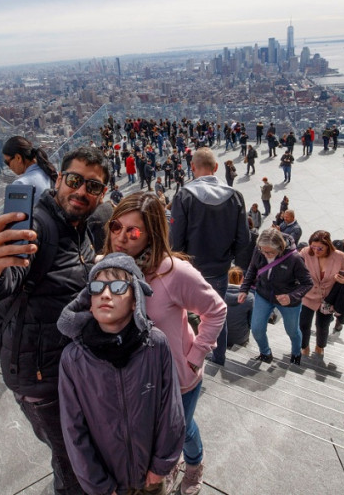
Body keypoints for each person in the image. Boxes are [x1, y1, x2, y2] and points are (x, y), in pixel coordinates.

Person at [0, 147, 109, 495]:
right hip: (42, 381)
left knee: (75, 451)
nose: (82, 191)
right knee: (72, 461)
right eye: (74, 180)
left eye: (93, 186)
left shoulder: (78, 227)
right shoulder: (38, 226)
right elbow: (3, 277)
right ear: (58, 180)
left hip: (67, 369)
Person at [103, 192, 227, 495]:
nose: (120, 237)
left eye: (132, 231)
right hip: (132, 379)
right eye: (115, 226)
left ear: (152, 234)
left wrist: (195, 356)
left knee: (180, 431)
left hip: (176, 379)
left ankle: (193, 464)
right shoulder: (108, 268)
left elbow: (216, 309)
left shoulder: (174, 272)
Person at [57, 253, 185, 495]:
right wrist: (100, 486)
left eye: (117, 287)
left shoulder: (156, 345)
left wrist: (160, 466)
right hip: (109, 485)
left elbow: (172, 411)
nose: (106, 294)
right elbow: (73, 431)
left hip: (151, 477)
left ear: (136, 300)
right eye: (97, 287)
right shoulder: (73, 359)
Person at [170, 147, 250, 366]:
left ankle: (188, 356)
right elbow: (244, 239)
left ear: (192, 167)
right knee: (216, 313)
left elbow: (175, 240)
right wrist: (227, 256)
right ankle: (219, 358)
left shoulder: (184, 195)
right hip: (219, 270)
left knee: (185, 314)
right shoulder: (235, 196)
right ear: (216, 168)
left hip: (190, 270)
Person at [238, 228, 313, 365]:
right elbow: (253, 268)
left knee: (292, 331)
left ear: (280, 247)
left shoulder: (295, 259)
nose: (266, 255)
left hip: (288, 301)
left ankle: (296, 354)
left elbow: (308, 283)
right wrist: (244, 289)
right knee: (256, 328)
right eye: (263, 251)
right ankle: (265, 353)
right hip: (263, 294)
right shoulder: (259, 249)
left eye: (270, 252)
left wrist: (291, 297)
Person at [298, 231, 344, 356]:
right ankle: (304, 346)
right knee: (303, 323)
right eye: (313, 247)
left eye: (320, 248)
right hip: (308, 295)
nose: (316, 251)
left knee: (322, 326)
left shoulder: (339, 256)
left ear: (328, 245)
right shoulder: (306, 252)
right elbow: (295, 267)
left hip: (328, 298)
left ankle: (320, 346)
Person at [225, 266, 254, 347]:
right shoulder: (249, 297)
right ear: (242, 279)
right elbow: (252, 322)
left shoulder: (218, 293)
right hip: (239, 339)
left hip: (219, 336)